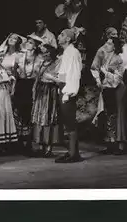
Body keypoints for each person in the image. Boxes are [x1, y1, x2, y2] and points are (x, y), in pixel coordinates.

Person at [91, 37, 127, 154]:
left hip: (116, 89)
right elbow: (95, 68)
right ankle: (110, 142)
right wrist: (99, 79)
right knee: (107, 115)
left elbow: (118, 78)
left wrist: (106, 73)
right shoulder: (105, 56)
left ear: (115, 46)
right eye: (106, 43)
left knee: (115, 115)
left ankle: (118, 144)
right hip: (107, 88)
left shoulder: (119, 59)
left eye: (110, 43)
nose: (107, 45)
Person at [54, 29, 83, 163]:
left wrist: (69, 91)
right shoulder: (66, 52)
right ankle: (71, 151)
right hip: (63, 87)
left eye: (62, 34)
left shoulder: (73, 52)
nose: (59, 36)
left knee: (70, 122)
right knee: (67, 121)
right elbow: (63, 73)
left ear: (68, 39)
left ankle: (74, 154)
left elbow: (75, 74)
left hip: (68, 89)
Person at [13, 34, 44, 155]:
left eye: (31, 42)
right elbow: (16, 72)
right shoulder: (20, 56)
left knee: (29, 114)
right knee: (19, 113)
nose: (28, 43)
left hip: (32, 85)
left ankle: (29, 143)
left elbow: (39, 74)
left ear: (35, 46)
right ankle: (19, 142)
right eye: (28, 41)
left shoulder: (40, 58)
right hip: (21, 85)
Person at [32, 42, 62, 157]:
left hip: (51, 91)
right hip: (41, 91)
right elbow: (38, 77)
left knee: (49, 116)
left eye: (46, 53)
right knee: (40, 116)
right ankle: (41, 145)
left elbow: (61, 79)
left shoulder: (58, 63)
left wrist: (51, 78)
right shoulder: (42, 63)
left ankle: (49, 146)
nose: (44, 55)